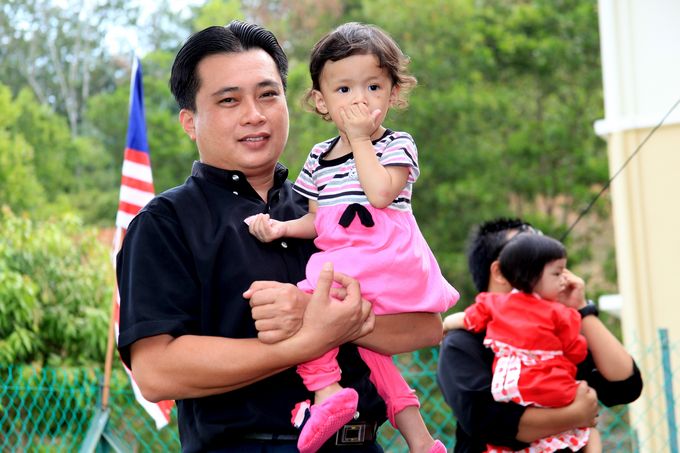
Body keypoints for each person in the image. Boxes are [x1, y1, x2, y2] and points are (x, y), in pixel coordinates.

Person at [116, 21, 444, 453]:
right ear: (190, 122)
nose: (255, 114)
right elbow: (156, 372)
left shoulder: (339, 204)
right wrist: (306, 341)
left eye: (268, 94)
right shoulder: (166, 222)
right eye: (229, 100)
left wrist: (315, 314)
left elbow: (426, 327)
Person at [246, 22, 457, 453]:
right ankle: (421, 440)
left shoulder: (397, 145)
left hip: (385, 257)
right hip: (353, 263)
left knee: (309, 301)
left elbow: (380, 194)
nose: (359, 100)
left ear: (393, 93)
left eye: (373, 87)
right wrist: (281, 228)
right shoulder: (318, 157)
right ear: (321, 101)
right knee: (372, 354)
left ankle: (326, 391)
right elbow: (319, 221)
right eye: (343, 90)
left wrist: (360, 139)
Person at [437, 218, 643, 452]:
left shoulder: (555, 329)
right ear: (500, 272)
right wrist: (574, 415)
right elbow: (487, 420)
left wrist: (582, 309)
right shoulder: (462, 341)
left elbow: (625, 385)